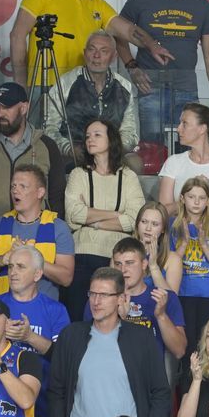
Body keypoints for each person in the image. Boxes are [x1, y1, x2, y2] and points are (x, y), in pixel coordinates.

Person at [47, 267, 171, 417]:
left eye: (104, 295)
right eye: (92, 294)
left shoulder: (141, 338)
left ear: (121, 298)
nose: (96, 301)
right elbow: (56, 390)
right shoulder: (71, 336)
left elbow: (161, 393)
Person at [64, 118, 145, 319]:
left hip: (116, 257)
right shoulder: (78, 174)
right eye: (87, 136)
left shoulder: (128, 177)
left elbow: (134, 219)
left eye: (97, 135)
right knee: (79, 317)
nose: (90, 139)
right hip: (81, 254)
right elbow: (73, 215)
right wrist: (115, 215)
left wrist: (93, 220)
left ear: (111, 140)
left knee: (111, 317)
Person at [118, 0, 209, 143]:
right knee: (153, 146)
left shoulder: (201, 4)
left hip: (186, 87)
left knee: (188, 144)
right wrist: (132, 66)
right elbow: (118, 34)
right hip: (151, 86)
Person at [0, 247, 71, 417]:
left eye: (21, 267)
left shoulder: (56, 310)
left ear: (37, 274)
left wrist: (29, 337)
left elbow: (64, 357)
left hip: (43, 401)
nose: (13, 272)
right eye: (10, 266)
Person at [7, 0, 170, 89]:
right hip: (43, 85)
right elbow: (17, 36)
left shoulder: (98, 4)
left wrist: (151, 44)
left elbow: (128, 30)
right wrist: (20, 86)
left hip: (82, 88)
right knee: (42, 137)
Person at [0, 83, 66, 221]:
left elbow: (57, 198)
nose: (0, 113)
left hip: (37, 231)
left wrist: (51, 228)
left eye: (7, 107)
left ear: (24, 108)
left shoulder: (47, 147)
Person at [0, 164, 75, 299]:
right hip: (2, 306)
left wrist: (33, 257)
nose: (15, 191)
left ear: (40, 193)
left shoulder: (58, 227)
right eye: (13, 186)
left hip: (42, 306)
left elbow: (66, 278)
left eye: (23, 186)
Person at [45, 30, 140, 162]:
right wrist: (69, 148)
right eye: (92, 49)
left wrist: (112, 149)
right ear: (85, 53)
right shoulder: (65, 83)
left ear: (114, 56)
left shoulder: (125, 87)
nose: (96, 56)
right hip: (73, 154)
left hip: (111, 154)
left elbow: (130, 132)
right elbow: (49, 128)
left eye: (104, 51)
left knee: (135, 162)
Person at [158, 104, 209, 228]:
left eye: (184, 124)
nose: (178, 129)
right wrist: (189, 196)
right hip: (181, 232)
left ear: (202, 129)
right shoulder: (173, 162)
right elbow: (162, 212)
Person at [168, 178, 209, 346]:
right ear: (182, 198)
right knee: (186, 343)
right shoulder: (172, 226)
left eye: (202, 198)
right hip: (182, 291)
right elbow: (168, 264)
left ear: (208, 201)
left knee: (206, 342)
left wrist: (204, 244)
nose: (196, 202)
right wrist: (184, 244)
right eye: (191, 197)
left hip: (208, 294)